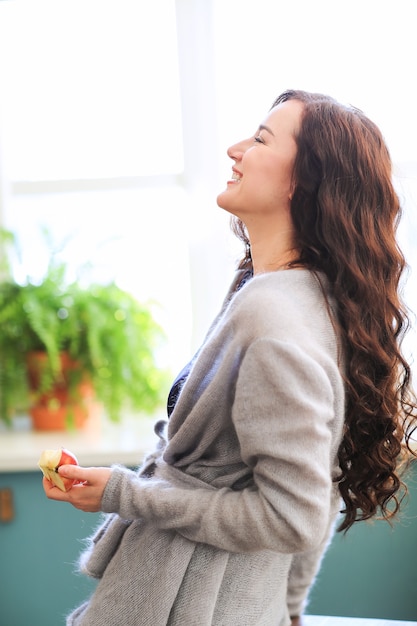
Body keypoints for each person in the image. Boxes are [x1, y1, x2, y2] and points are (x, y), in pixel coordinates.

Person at [43, 89, 417, 626]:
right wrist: (288, 611)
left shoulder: (272, 317)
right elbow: (326, 479)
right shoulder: (312, 300)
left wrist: (127, 493)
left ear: (301, 181)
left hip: (184, 606)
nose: (235, 149)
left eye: (261, 139)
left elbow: (294, 518)